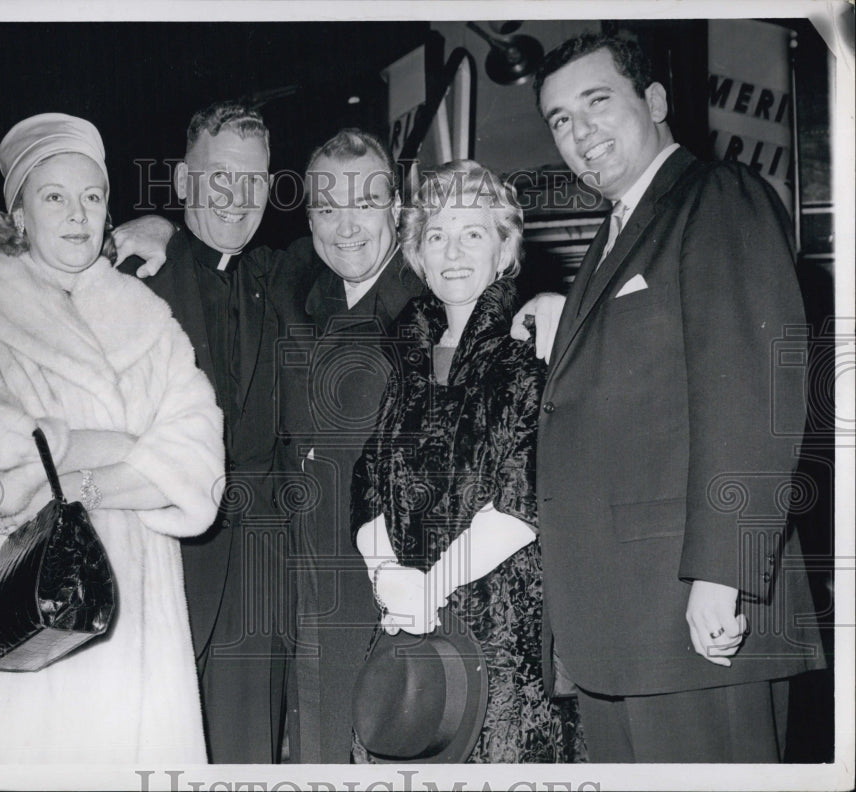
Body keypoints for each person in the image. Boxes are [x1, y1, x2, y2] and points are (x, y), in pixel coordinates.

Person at [513, 33, 825, 762]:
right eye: (559, 120)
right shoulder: (617, 232)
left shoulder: (717, 196)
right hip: (624, 629)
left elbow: (752, 395)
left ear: (653, 100)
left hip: (697, 613)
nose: (579, 133)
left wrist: (723, 573)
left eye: (597, 102)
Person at [0, 113, 225, 764]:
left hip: (129, 600)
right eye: (54, 196)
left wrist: (80, 476)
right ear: (18, 214)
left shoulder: (146, 314)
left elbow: (199, 455)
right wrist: (123, 445)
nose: (77, 214)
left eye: (93, 196)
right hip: (18, 590)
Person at [350, 160, 584, 763]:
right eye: (437, 236)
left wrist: (433, 585)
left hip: (500, 622)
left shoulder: (530, 349)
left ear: (505, 248)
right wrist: (388, 579)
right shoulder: (406, 354)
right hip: (407, 619)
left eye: (473, 233)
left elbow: (523, 493)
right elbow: (369, 479)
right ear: (418, 255)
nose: (452, 252)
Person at [116, 102, 304, 763]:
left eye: (254, 181)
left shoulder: (280, 276)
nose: (237, 198)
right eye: (219, 176)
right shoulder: (130, 275)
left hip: (258, 582)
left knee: (247, 763)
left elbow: (378, 257)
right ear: (182, 179)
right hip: (154, 567)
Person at [280, 129, 427, 763]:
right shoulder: (301, 290)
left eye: (364, 203)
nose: (345, 227)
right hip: (308, 600)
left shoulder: (436, 300)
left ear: (397, 208)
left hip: (394, 604)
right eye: (326, 207)